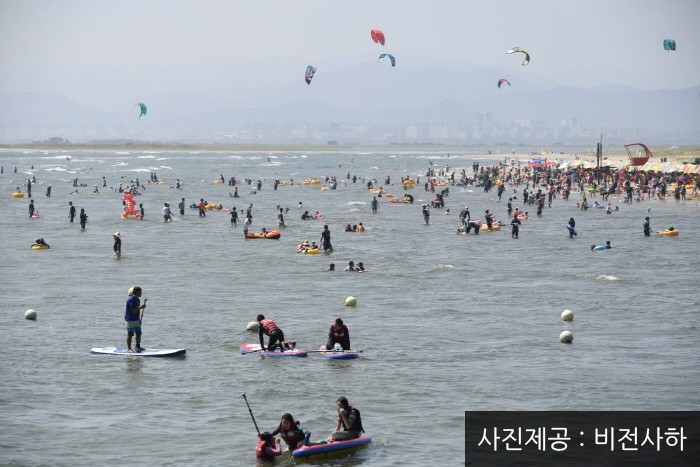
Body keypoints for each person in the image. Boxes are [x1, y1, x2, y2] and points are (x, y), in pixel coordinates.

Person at [124, 286, 146, 352]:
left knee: (138, 333)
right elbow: (133, 310)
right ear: (135, 292)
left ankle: (137, 346)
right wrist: (141, 307)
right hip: (130, 320)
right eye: (139, 292)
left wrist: (139, 319)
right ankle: (129, 349)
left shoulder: (137, 299)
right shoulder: (130, 300)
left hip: (136, 320)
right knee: (130, 334)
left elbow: (137, 311)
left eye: (141, 292)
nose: (141, 293)